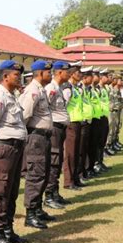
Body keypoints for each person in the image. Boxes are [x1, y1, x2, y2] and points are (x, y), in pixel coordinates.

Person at [0, 60, 28, 243]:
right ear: (5, 77)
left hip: (16, 149)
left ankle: (8, 229)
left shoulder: (13, 96)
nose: (18, 78)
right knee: (1, 192)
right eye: (15, 75)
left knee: (11, 192)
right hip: (4, 149)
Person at [19, 60, 54, 230]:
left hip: (44, 138)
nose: (51, 75)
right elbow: (24, 116)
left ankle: (38, 209)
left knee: (44, 174)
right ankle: (30, 213)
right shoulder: (32, 91)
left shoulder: (41, 90)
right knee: (35, 175)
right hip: (36, 139)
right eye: (48, 72)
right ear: (40, 73)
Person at [44, 61, 71, 209]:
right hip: (54, 128)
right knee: (54, 161)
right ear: (60, 72)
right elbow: (44, 108)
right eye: (67, 71)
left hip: (60, 129)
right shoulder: (51, 88)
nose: (69, 74)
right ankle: (49, 196)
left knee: (58, 160)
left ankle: (55, 192)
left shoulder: (58, 88)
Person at [62, 62, 86, 190]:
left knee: (77, 152)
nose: (80, 75)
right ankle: (68, 181)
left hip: (78, 122)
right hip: (71, 123)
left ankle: (75, 178)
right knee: (70, 154)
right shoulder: (67, 88)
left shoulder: (77, 88)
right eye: (78, 73)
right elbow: (63, 106)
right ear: (71, 74)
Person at [79, 66, 95, 180]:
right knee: (81, 150)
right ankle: (80, 173)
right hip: (81, 122)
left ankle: (85, 171)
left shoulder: (87, 89)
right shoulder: (79, 89)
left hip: (88, 120)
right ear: (85, 78)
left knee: (86, 149)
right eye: (91, 76)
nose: (93, 78)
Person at [96, 68, 112, 171]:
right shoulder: (97, 89)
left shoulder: (104, 89)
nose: (108, 78)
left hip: (104, 116)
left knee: (102, 141)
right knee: (98, 142)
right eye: (106, 76)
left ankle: (100, 162)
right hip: (98, 118)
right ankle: (97, 163)